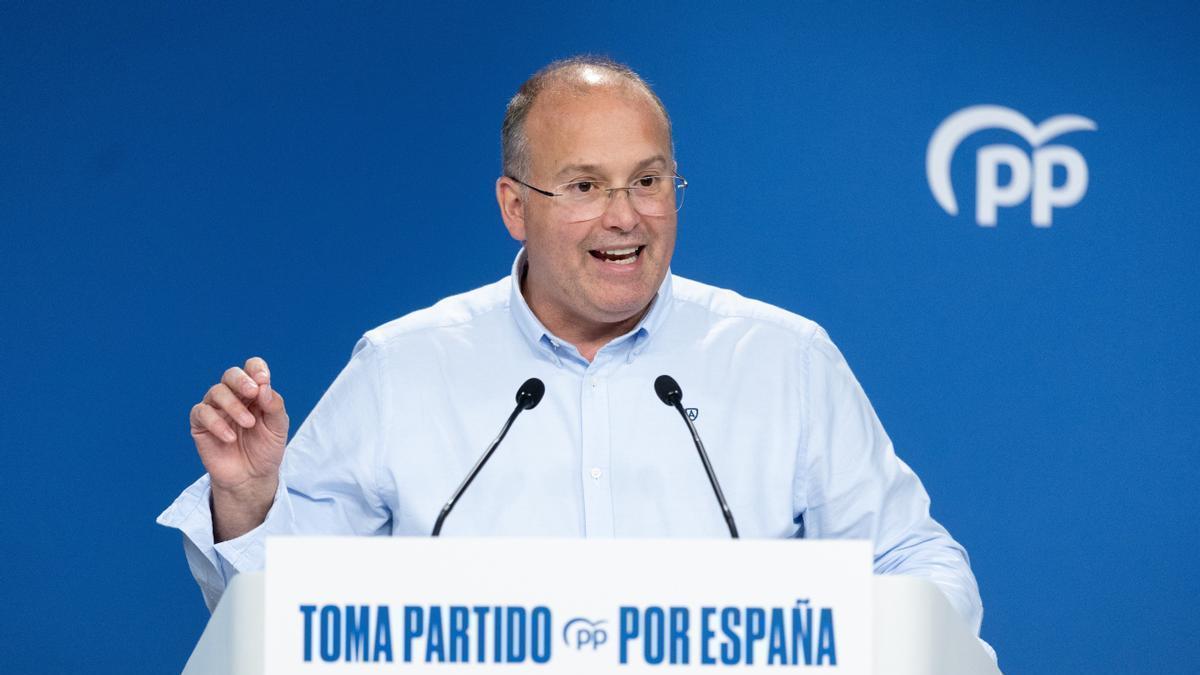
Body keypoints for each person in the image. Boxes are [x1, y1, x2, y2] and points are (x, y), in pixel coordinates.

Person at [159, 57, 986, 640]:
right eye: (586, 186)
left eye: (649, 180)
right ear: (515, 206)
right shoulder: (401, 367)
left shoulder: (783, 360)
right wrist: (250, 501)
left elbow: (915, 559)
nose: (625, 216)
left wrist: (891, 644)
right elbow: (284, 621)